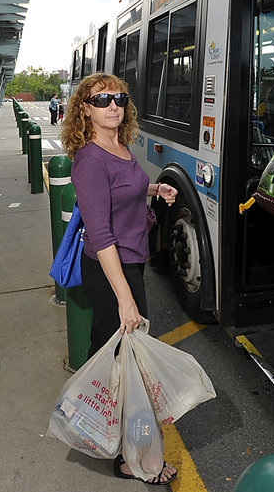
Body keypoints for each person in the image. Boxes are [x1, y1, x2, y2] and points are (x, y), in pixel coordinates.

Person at [60, 73, 179, 485]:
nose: (113, 105)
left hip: (130, 262)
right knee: (132, 365)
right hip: (113, 269)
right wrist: (125, 298)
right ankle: (135, 460)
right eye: (102, 99)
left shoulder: (119, 145)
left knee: (106, 352)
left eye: (120, 98)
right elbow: (101, 233)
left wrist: (154, 191)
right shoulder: (88, 159)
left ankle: (86, 420)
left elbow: (124, 189)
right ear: (85, 109)